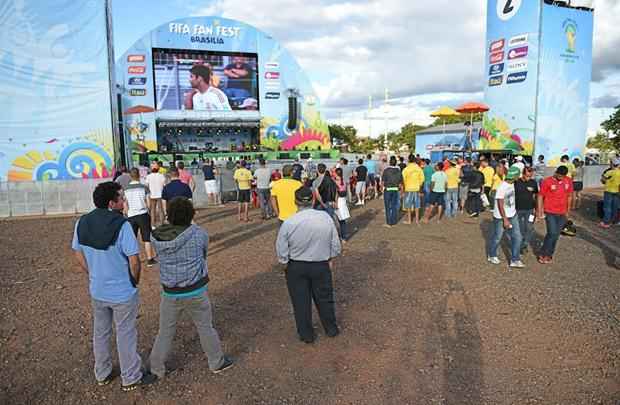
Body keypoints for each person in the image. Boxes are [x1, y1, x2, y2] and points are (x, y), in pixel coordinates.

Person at [72, 182, 157, 391]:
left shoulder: (82, 222)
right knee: (126, 333)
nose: (124, 200)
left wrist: (92, 273)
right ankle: (130, 376)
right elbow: (134, 260)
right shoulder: (122, 225)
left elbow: (77, 252)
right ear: (112, 203)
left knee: (100, 332)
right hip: (122, 292)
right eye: (121, 197)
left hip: (98, 290)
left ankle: (102, 373)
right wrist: (134, 280)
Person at [149, 197, 234, 378]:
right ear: (190, 214)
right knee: (205, 327)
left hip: (170, 292)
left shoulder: (155, 236)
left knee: (164, 331)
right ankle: (216, 362)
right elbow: (203, 254)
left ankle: (156, 368)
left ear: (169, 215)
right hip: (195, 290)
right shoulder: (199, 233)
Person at [276, 187, 341, 343]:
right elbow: (336, 245)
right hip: (320, 264)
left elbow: (281, 249)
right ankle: (331, 329)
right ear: (313, 200)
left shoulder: (289, 222)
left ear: (295, 202)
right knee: (325, 298)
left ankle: (306, 334)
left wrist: (284, 263)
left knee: (300, 301)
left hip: (296, 266)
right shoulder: (325, 218)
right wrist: (330, 257)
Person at [487, 166, 524, 268]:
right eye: (518, 175)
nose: (519, 177)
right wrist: (505, 219)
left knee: (518, 237)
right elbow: (500, 203)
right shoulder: (503, 186)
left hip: (513, 214)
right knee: (497, 237)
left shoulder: (512, 183)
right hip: (501, 217)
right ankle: (492, 254)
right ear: (515, 176)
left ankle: (515, 259)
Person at [537, 166, 573, 264]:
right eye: (560, 175)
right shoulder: (547, 181)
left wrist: (568, 210)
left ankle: (549, 254)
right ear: (556, 172)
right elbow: (540, 196)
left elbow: (569, 195)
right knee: (552, 232)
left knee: (555, 235)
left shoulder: (568, 181)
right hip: (550, 212)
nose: (561, 178)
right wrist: (540, 211)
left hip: (562, 213)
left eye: (563, 176)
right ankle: (543, 253)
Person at [124, 168, 156, 266]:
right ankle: (150, 259)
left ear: (130, 176)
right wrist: (148, 210)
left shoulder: (126, 189)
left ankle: (132, 260)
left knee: (132, 239)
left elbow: (125, 203)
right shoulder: (144, 187)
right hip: (143, 214)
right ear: (139, 175)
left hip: (131, 215)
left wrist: (126, 212)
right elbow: (148, 202)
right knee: (146, 238)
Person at [514, 167, 538, 255]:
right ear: (523, 174)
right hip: (518, 209)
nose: (528, 178)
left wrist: (536, 209)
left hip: (530, 210)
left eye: (530, 176)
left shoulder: (533, 183)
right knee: (519, 228)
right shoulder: (516, 182)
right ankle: (518, 244)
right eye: (527, 176)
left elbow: (536, 196)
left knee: (529, 228)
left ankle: (524, 245)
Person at [402, 155, 425, 225]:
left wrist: (403, 189)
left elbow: (403, 179)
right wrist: (419, 186)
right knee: (417, 205)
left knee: (408, 205)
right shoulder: (419, 169)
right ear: (415, 160)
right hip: (416, 188)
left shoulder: (406, 169)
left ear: (409, 160)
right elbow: (422, 179)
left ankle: (409, 220)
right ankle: (417, 220)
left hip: (408, 188)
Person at [382, 156, 404, 227]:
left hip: (388, 190)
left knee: (388, 207)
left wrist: (381, 188)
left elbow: (382, 182)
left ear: (389, 162)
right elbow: (401, 183)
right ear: (396, 163)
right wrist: (402, 191)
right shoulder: (399, 171)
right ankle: (394, 222)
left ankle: (388, 223)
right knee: (394, 206)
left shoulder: (386, 170)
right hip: (395, 190)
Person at [599, 158, 620, 228]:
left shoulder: (609, 172)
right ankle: (614, 221)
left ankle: (606, 222)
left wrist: (604, 179)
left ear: (612, 164)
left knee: (607, 207)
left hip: (609, 191)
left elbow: (602, 180)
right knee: (615, 207)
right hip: (617, 192)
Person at [334, 168, 351, 241]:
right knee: (342, 221)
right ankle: (343, 236)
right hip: (344, 200)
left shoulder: (335, 182)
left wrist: (336, 203)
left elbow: (336, 194)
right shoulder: (344, 180)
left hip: (339, 201)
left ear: (336, 173)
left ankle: (341, 237)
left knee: (338, 221)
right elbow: (347, 191)